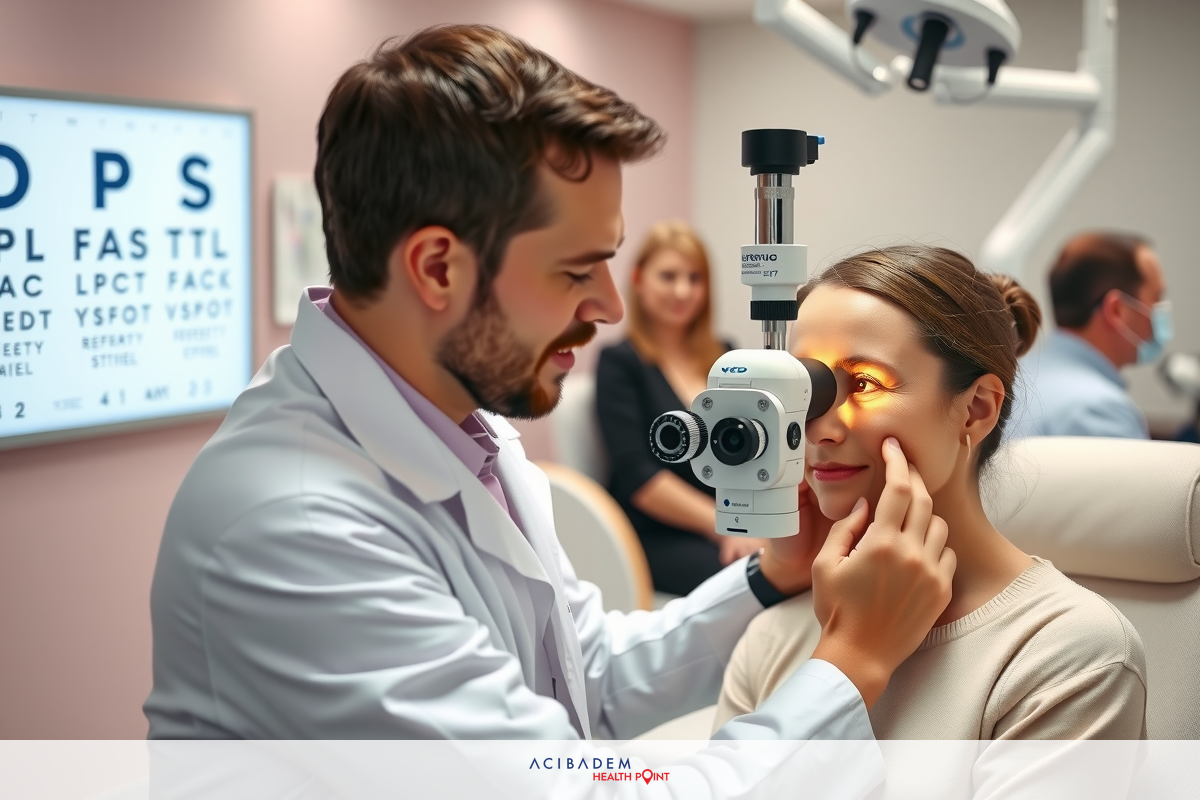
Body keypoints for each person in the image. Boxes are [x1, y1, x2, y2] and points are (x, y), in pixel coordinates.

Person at [144, 26, 956, 791]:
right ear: (437, 268)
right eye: (576, 271)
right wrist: (852, 664)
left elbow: (581, 674)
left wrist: (769, 574)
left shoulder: (465, 426)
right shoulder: (295, 527)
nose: (609, 306)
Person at [715, 245, 1148, 742]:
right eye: (806, 387)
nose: (818, 428)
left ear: (976, 409)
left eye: (864, 383)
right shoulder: (772, 636)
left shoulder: (1073, 657)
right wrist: (850, 654)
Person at [596, 221, 763, 595]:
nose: (683, 290)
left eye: (694, 278)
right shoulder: (620, 363)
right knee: (750, 583)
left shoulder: (725, 355)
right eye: (668, 276)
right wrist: (724, 525)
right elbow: (639, 477)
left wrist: (750, 520)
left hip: (729, 519)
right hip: (655, 531)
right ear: (638, 279)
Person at [1010, 232, 1171, 439]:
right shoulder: (1100, 412)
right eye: (1157, 297)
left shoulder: (1015, 376)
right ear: (1117, 311)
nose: (1161, 309)